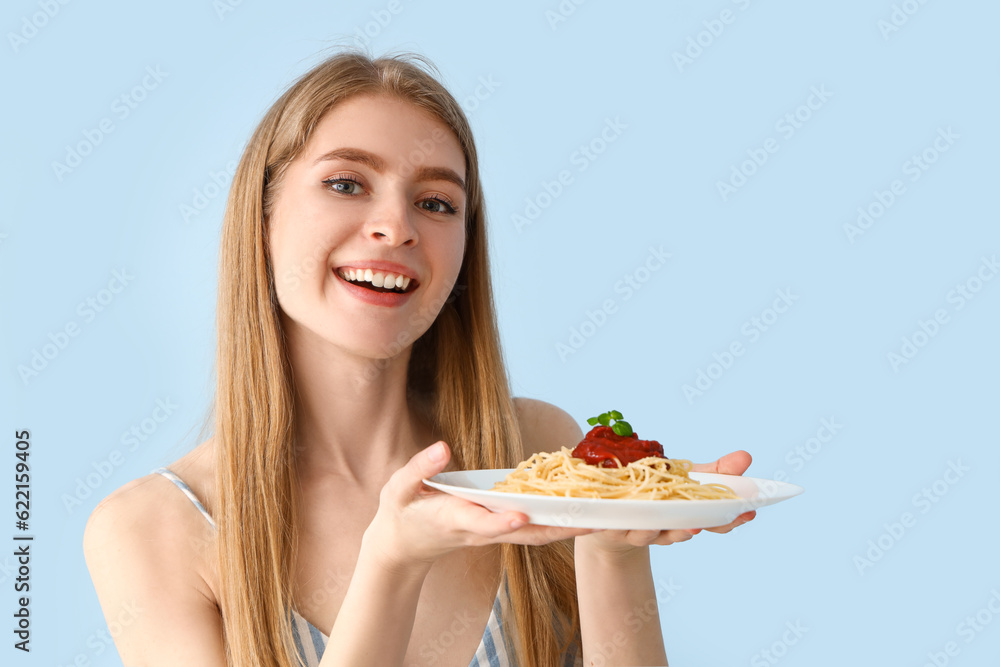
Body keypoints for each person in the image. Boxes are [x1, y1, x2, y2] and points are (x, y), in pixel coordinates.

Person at [82, 50, 755, 667]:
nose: (396, 225)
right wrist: (392, 562)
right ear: (262, 220)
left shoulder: (539, 450)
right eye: (347, 184)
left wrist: (613, 541)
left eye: (436, 202)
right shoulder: (152, 529)